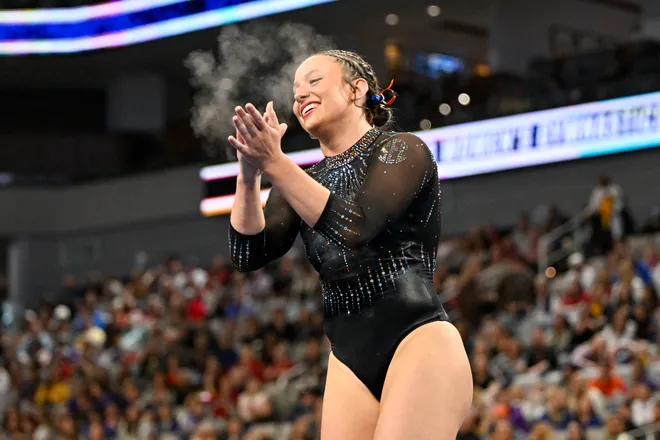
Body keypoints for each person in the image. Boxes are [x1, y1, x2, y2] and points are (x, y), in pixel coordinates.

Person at [226, 49, 472, 439]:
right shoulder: (301, 179)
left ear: (357, 90)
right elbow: (247, 253)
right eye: (296, 90)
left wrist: (276, 163)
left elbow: (354, 227)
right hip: (349, 358)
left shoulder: (402, 150)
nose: (301, 94)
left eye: (314, 81)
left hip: (418, 339)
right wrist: (249, 175)